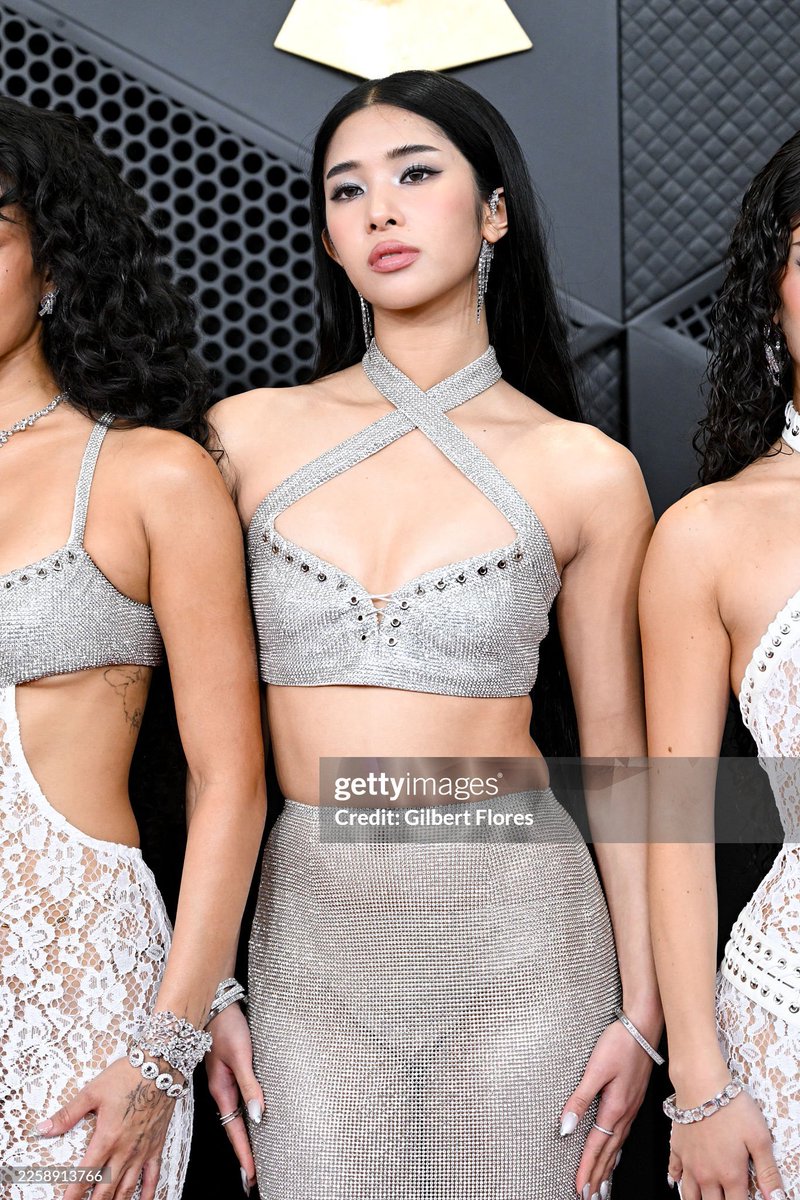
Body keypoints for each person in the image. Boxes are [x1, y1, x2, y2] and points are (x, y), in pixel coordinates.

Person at [206, 70, 660, 1200]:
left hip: (523, 935)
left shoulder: (585, 471)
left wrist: (646, 1016)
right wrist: (203, 989)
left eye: (416, 175)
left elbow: (625, 769)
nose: (381, 212)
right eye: (346, 190)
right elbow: (200, 753)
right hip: (311, 944)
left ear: (492, 208)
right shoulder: (243, 438)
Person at [0, 98, 266, 1200]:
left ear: (53, 262)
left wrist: (167, 1044)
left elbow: (230, 780)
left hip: (72, 1000)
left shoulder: (153, 473)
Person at [642, 131, 800, 1200]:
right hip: (784, 1021)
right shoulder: (707, 533)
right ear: (773, 300)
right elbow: (671, 818)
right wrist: (698, 1081)